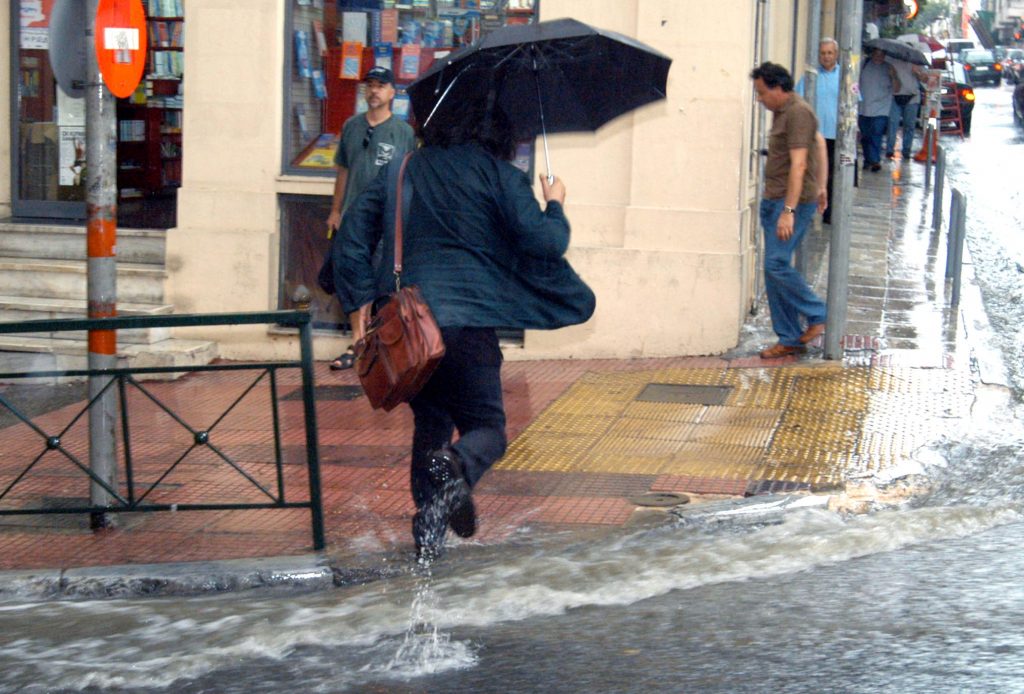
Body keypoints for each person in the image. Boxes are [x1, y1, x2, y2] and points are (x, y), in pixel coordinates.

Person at [333, 103, 595, 561]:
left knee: (430, 423)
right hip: (469, 326)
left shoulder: (402, 169)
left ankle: (429, 534)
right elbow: (546, 242)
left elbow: (352, 238)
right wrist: (555, 203)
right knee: (486, 428)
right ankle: (457, 465)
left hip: (410, 330)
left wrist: (361, 307)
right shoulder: (499, 175)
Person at [325, 66, 415, 371]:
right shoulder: (351, 126)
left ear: (392, 93)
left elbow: (408, 176)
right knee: (353, 280)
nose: (374, 91)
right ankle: (359, 341)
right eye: (370, 85)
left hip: (386, 220)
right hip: (352, 219)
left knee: (382, 281)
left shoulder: (403, 132)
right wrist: (336, 211)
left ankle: (385, 342)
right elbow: (343, 170)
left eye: (381, 86)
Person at [750, 62, 829, 359]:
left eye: (761, 92)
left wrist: (789, 211)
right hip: (775, 200)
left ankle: (819, 313)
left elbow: (799, 165)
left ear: (778, 88)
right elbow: (819, 143)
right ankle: (790, 338)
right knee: (773, 272)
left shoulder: (797, 112)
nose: (760, 99)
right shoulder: (784, 112)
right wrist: (822, 185)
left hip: (789, 203)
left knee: (776, 265)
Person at [796, 38, 840, 224]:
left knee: (831, 175)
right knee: (811, 173)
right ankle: (807, 209)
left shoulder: (845, 76)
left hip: (835, 135)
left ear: (836, 54)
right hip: (814, 135)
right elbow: (797, 99)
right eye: (823, 53)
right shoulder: (810, 76)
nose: (826, 57)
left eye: (830, 53)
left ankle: (828, 212)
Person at [858, 48, 899, 172]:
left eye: (881, 55)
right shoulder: (863, 64)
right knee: (865, 136)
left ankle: (875, 160)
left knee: (876, 133)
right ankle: (868, 159)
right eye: (876, 54)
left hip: (881, 108)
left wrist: (894, 76)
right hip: (863, 107)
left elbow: (897, 88)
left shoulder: (889, 68)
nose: (878, 57)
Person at [885, 56, 927, 160]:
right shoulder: (892, 61)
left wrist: (918, 73)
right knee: (892, 123)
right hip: (895, 96)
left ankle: (906, 150)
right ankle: (890, 150)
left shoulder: (917, 64)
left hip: (912, 98)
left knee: (909, 125)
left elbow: (926, 80)